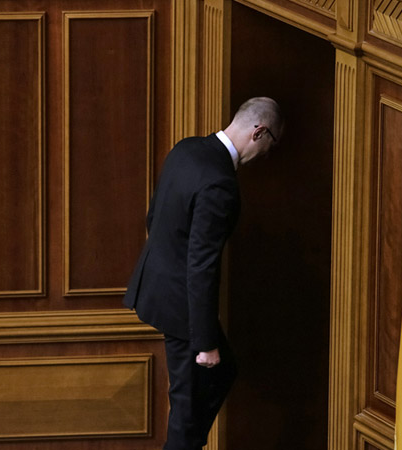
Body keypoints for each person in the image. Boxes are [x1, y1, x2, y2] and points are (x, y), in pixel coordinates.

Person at [123, 97, 283, 450]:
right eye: (270, 145)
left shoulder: (187, 149)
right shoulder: (220, 183)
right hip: (181, 305)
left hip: (156, 288)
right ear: (259, 132)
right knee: (188, 410)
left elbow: (154, 216)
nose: (266, 155)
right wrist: (205, 342)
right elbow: (202, 265)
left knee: (220, 376)